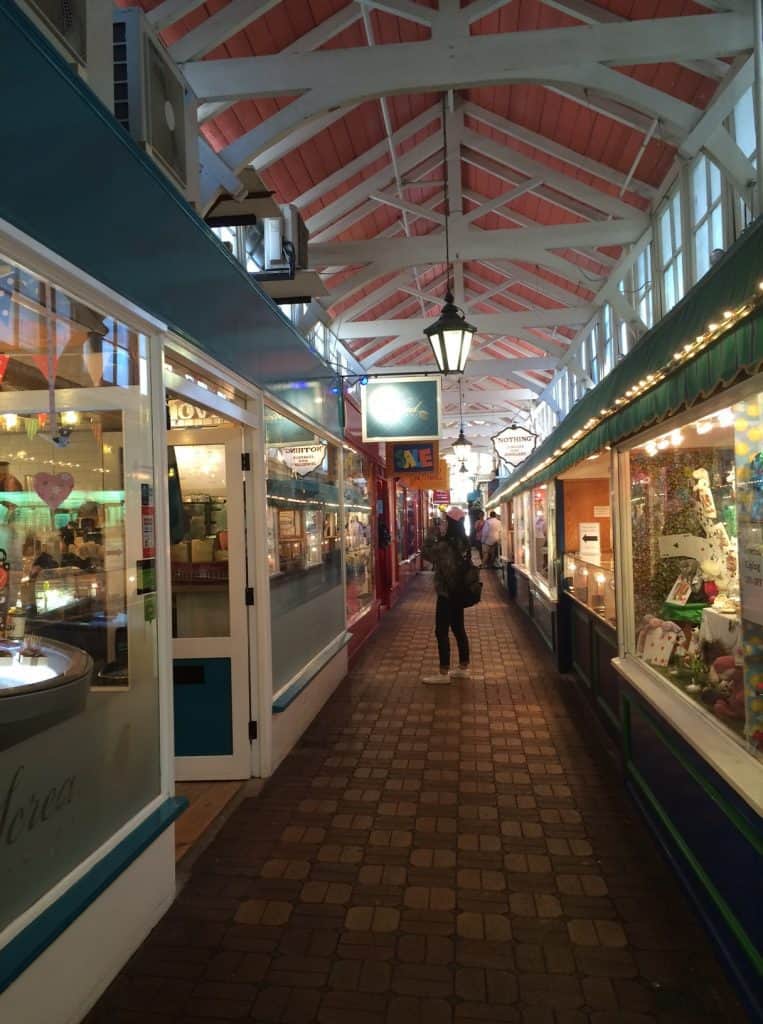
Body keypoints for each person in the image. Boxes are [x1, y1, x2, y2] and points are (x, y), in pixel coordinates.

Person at [421, 505, 471, 684]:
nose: (442, 523)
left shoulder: (445, 545)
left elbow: (426, 553)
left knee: (441, 631)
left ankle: (443, 674)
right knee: (458, 628)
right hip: (460, 591)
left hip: (446, 593)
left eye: (445, 521)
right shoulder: (464, 542)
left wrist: (432, 532)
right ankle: (464, 667)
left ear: (450, 523)